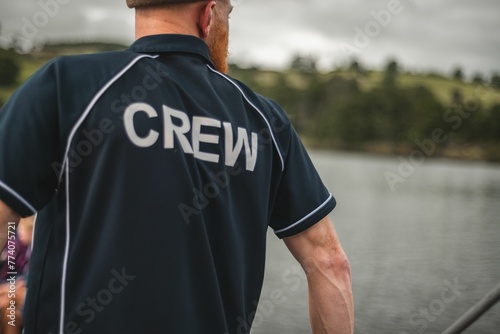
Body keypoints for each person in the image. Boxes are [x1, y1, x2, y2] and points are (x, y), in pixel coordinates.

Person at [0, 0, 353, 333]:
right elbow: (329, 264)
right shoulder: (266, 123)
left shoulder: (69, 85)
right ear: (209, 14)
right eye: (230, 14)